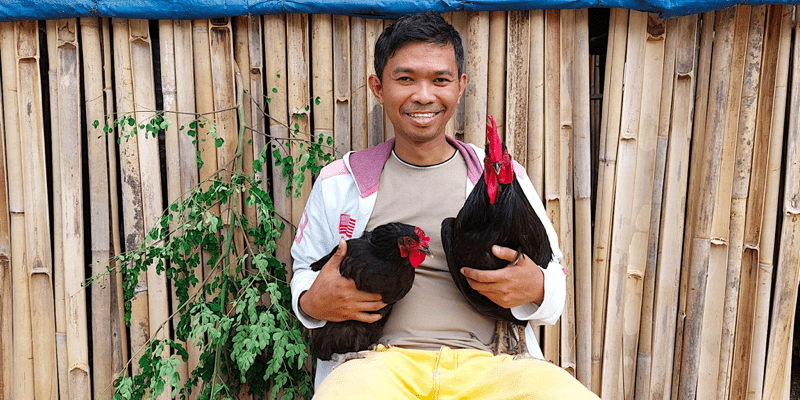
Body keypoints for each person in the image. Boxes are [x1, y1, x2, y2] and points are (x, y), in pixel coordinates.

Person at [290, 11, 598, 399]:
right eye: (405, 78)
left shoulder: (503, 178)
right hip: (380, 366)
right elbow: (305, 270)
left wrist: (537, 286)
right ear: (377, 87)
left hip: (492, 365)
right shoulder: (341, 181)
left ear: (460, 86)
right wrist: (311, 301)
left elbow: (554, 284)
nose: (424, 95)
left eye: (440, 80)